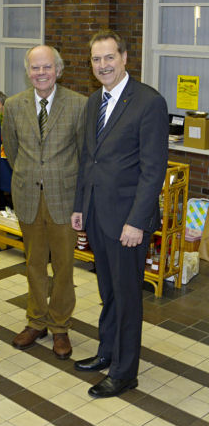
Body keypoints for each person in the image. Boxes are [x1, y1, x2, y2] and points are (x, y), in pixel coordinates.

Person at [72, 29, 167, 398]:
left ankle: (126, 372)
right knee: (108, 292)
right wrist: (80, 206)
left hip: (127, 221)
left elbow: (152, 170)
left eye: (109, 57)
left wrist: (137, 221)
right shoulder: (94, 101)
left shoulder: (148, 102)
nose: (103, 65)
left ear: (125, 58)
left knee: (127, 298)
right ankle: (107, 352)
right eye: (96, 59)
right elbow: (87, 159)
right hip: (97, 215)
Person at [1, 45, 87, 359]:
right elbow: (12, 150)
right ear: (28, 71)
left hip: (63, 198)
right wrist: (30, 174)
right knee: (34, 263)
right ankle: (36, 321)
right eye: (35, 68)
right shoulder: (13, 105)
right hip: (27, 196)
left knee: (64, 266)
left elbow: (83, 155)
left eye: (47, 67)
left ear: (58, 70)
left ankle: (60, 326)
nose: (41, 73)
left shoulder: (79, 105)